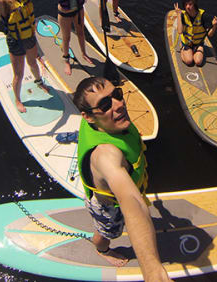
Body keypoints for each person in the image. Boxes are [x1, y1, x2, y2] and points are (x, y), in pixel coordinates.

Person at [73, 77, 172, 282]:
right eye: (105, 104)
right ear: (88, 116)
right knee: (108, 232)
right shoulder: (106, 155)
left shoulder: (102, 121)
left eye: (117, 94)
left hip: (123, 189)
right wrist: (154, 273)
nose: (118, 104)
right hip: (109, 208)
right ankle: (102, 250)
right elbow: (132, 202)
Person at [174, 0, 217, 67]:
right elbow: (179, 31)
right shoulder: (183, 15)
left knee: (198, 62)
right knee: (189, 61)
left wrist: (214, 26)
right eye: (186, 4)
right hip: (187, 43)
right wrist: (178, 15)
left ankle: (197, 50)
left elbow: (210, 34)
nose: (188, 7)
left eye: (190, 4)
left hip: (198, 43)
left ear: (195, 5)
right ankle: (183, 49)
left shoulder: (203, 16)